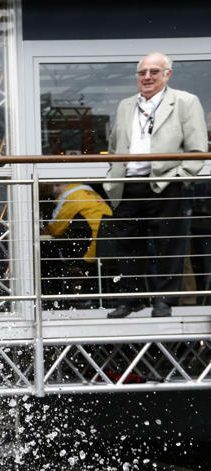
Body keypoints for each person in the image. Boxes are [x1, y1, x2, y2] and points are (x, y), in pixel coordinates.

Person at [104, 52, 207, 319]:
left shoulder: (185, 102)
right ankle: (132, 299)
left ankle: (165, 301)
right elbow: (115, 146)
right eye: (142, 72)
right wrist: (112, 176)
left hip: (166, 183)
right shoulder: (126, 105)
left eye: (154, 72)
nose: (147, 77)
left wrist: (179, 177)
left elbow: (197, 149)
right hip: (128, 185)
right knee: (126, 245)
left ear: (167, 74)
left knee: (169, 245)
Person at [41, 182, 111, 305]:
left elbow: (56, 228)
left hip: (93, 249)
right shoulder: (88, 191)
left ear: (57, 185)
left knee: (53, 255)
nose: (51, 195)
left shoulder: (70, 196)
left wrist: (47, 227)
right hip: (109, 244)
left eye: (51, 191)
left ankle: (74, 298)